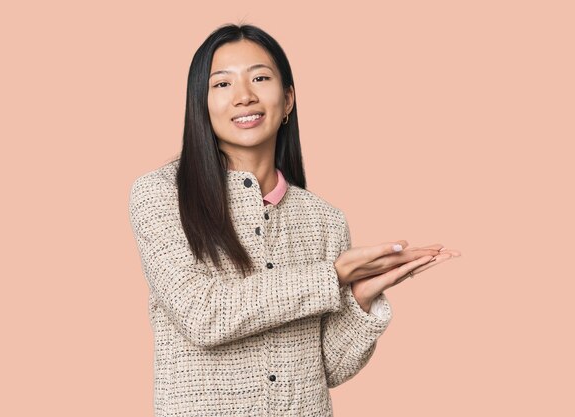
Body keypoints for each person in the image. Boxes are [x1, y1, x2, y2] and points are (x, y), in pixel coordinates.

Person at [128, 23, 461, 417]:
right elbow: (202, 314)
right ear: (199, 104)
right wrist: (330, 276)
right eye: (222, 85)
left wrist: (360, 299)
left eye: (260, 78)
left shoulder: (325, 220)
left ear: (287, 100)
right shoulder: (161, 194)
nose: (244, 97)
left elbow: (327, 370)